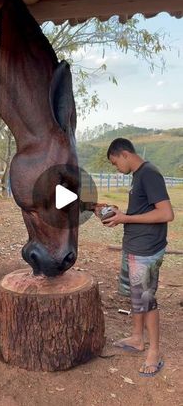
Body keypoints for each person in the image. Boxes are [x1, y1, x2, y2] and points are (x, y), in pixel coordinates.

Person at [95, 138, 174, 377]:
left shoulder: (149, 174)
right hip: (135, 246)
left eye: (114, 162)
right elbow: (143, 211)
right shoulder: (138, 176)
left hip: (146, 249)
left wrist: (126, 219)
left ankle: (154, 352)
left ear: (125, 154)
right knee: (137, 296)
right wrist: (119, 214)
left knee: (146, 299)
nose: (115, 167)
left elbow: (166, 213)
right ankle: (138, 338)